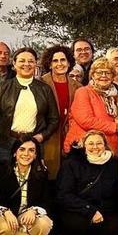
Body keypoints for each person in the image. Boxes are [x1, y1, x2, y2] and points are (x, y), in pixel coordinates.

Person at [54, 130, 118, 235]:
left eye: (99, 143)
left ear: (105, 145)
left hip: (102, 206)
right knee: (75, 224)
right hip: (76, 207)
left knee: (117, 224)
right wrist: (90, 210)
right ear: (83, 145)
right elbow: (64, 195)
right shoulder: (71, 163)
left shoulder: (111, 163)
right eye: (90, 143)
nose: (95, 147)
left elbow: (116, 191)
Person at [0, 47, 61, 165]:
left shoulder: (44, 89)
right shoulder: (3, 87)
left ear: (36, 63)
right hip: (5, 146)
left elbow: (54, 119)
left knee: (31, 180)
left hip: (32, 145)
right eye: (22, 61)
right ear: (14, 63)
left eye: (31, 61)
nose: (26, 64)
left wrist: (42, 136)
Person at [64, 57, 118, 160]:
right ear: (92, 75)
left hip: (107, 150)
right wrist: (115, 127)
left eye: (108, 73)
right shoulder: (83, 92)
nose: (103, 76)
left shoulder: (115, 97)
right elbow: (85, 120)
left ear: (113, 76)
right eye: (99, 72)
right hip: (84, 149)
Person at [41, 45, 82, 179]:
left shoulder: (78, 87)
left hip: (70, 136)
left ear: (69, 63)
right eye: (55, 61)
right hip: (48, 137)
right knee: (48, 176)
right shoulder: (40, 83)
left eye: (63, 60)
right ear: (50, 64)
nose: (59, 64)